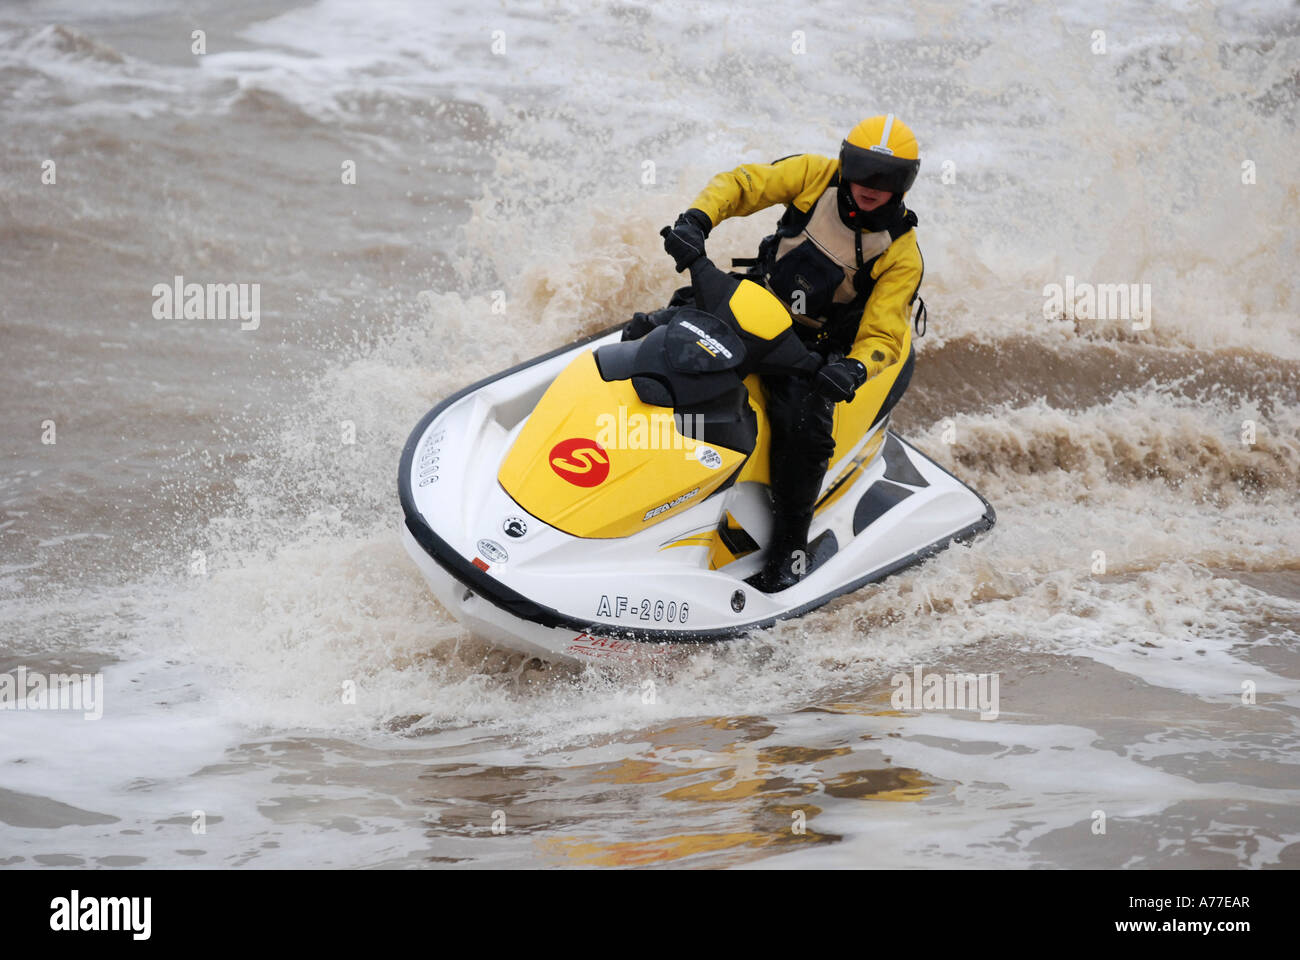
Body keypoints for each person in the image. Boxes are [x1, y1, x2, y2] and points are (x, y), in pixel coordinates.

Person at [643, 114, 926, 593]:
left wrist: (853, 368)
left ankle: (789, 549)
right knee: (652, 331)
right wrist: (697, 220)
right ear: (845, 162)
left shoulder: (901, 254)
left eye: (887, 178)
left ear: (905, 183)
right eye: (862, 170)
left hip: (810, 350)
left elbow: (884, 336)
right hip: (754, 303)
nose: (870, 186)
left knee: (802, 433)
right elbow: (743, 185)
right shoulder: (812, 176)